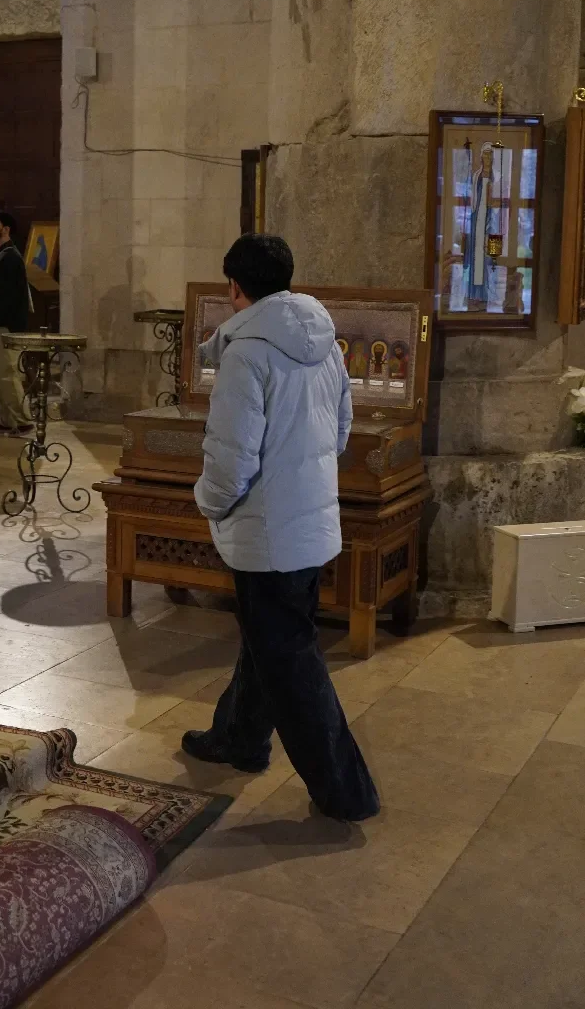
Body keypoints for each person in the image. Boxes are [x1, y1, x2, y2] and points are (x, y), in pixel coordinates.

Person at [181, 233, 380, 823]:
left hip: (266, 533)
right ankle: (238, 737)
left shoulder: (245, 354)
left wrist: (210, 503)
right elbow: (342, 424)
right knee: (270, 640)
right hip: (310, 524)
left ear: (234, 288)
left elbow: (231, 458)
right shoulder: (322, 340)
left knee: (290, 661)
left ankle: (347, 791)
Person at [0, 213, 33, 436]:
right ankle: (7, 419)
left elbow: (6, 295)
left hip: (9, 325)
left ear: (7, 229)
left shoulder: (10, 257)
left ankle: (23, 421)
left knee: (8, 373)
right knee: (1, 373)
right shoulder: (4, 254)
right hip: (5, 322)